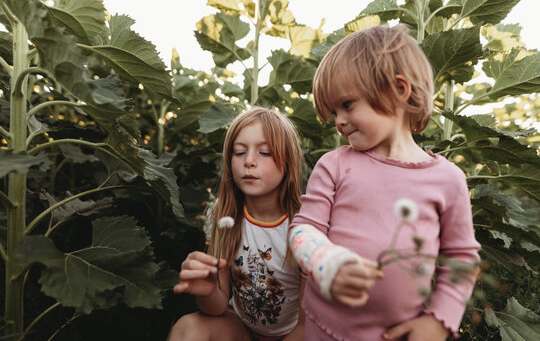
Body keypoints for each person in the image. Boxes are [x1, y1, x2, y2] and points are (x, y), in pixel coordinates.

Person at [288, 25, 481, 341]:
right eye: (333, 111)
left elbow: (461, 258)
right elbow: (302, 230)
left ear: (399, 90)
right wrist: (327, 262)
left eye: (347, 105)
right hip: (324, 328)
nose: (338, 120)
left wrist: (438, 321)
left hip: (396, 334)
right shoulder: (335, 164)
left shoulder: (447, 179)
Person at [169, 107, 306, 341]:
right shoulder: (224, 215)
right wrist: (209, 290)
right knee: (187, 328)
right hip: (241, 329)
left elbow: (307, 324)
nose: (249, 161)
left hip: (295, 334)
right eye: (239, 152)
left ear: (288, 161)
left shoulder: (304, 224)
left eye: (265, 152)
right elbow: (216, 307)